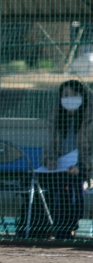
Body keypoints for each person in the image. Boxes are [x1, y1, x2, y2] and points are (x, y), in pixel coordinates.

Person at [39, 79, 90, 239]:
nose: (70, 98)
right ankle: (38, 228)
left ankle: (66, 229)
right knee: (36, 183)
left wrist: (82, 166)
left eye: (74, 94)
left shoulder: (90, 118)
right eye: (66, 95)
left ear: (82, 96)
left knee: (70, 186)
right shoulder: (55, 119)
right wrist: (49, 160)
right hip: (59, 170)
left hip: (85, 171)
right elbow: (48, 148)